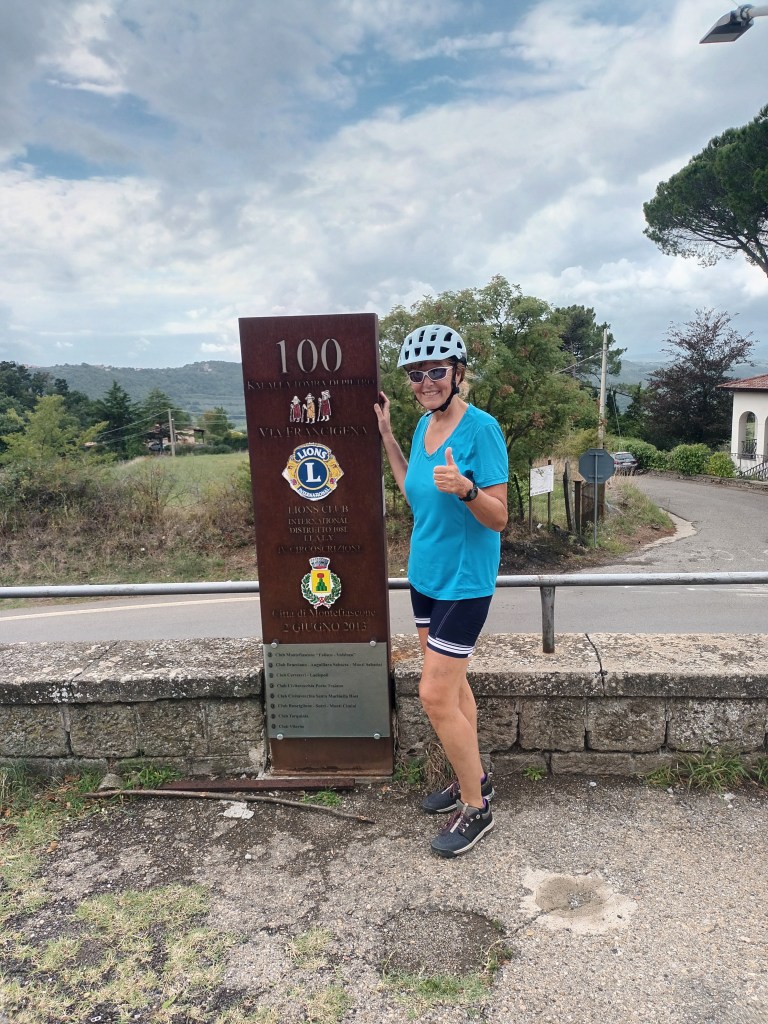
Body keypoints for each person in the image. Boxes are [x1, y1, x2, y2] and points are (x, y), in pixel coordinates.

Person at [374, 323, 509, 857]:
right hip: (425, 577)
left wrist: (468, 489)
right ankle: (475, 778)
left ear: (457, 373)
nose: (426, 382)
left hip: (464, 582)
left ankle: (477, 807)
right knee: (453, 688)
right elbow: (414, 491)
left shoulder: (482, 429)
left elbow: (499, 519)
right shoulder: (422, 426)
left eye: (436, 371)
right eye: (416, 374)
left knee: (433, 695)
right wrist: (387, 435)